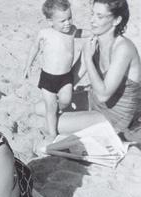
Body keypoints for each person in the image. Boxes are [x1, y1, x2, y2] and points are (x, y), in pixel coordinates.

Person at [57, 0, 141, 135]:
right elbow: (74, 76)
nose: (92, 20)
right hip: (94, 101)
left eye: (99, 16)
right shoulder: (94, 41)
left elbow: (103, 95)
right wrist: (58, 91)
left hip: (115, 116)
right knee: (41, 108)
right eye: (92, 14)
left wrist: (88, 59)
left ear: (116, 20)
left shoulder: (123, 48)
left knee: (54, 123)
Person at [23, 0, 90, 141]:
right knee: (50, 105)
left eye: (70, 18)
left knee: (66, 100)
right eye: (62, 21)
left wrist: (93, 33)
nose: (67, 23)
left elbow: (80, 32)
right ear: (50, 21)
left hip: (65, 76)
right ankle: (52, 133)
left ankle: (55, 111)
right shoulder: (45, 33)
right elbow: (35, 47)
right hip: (48, 78)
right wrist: (28, 65)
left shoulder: (71, 31)